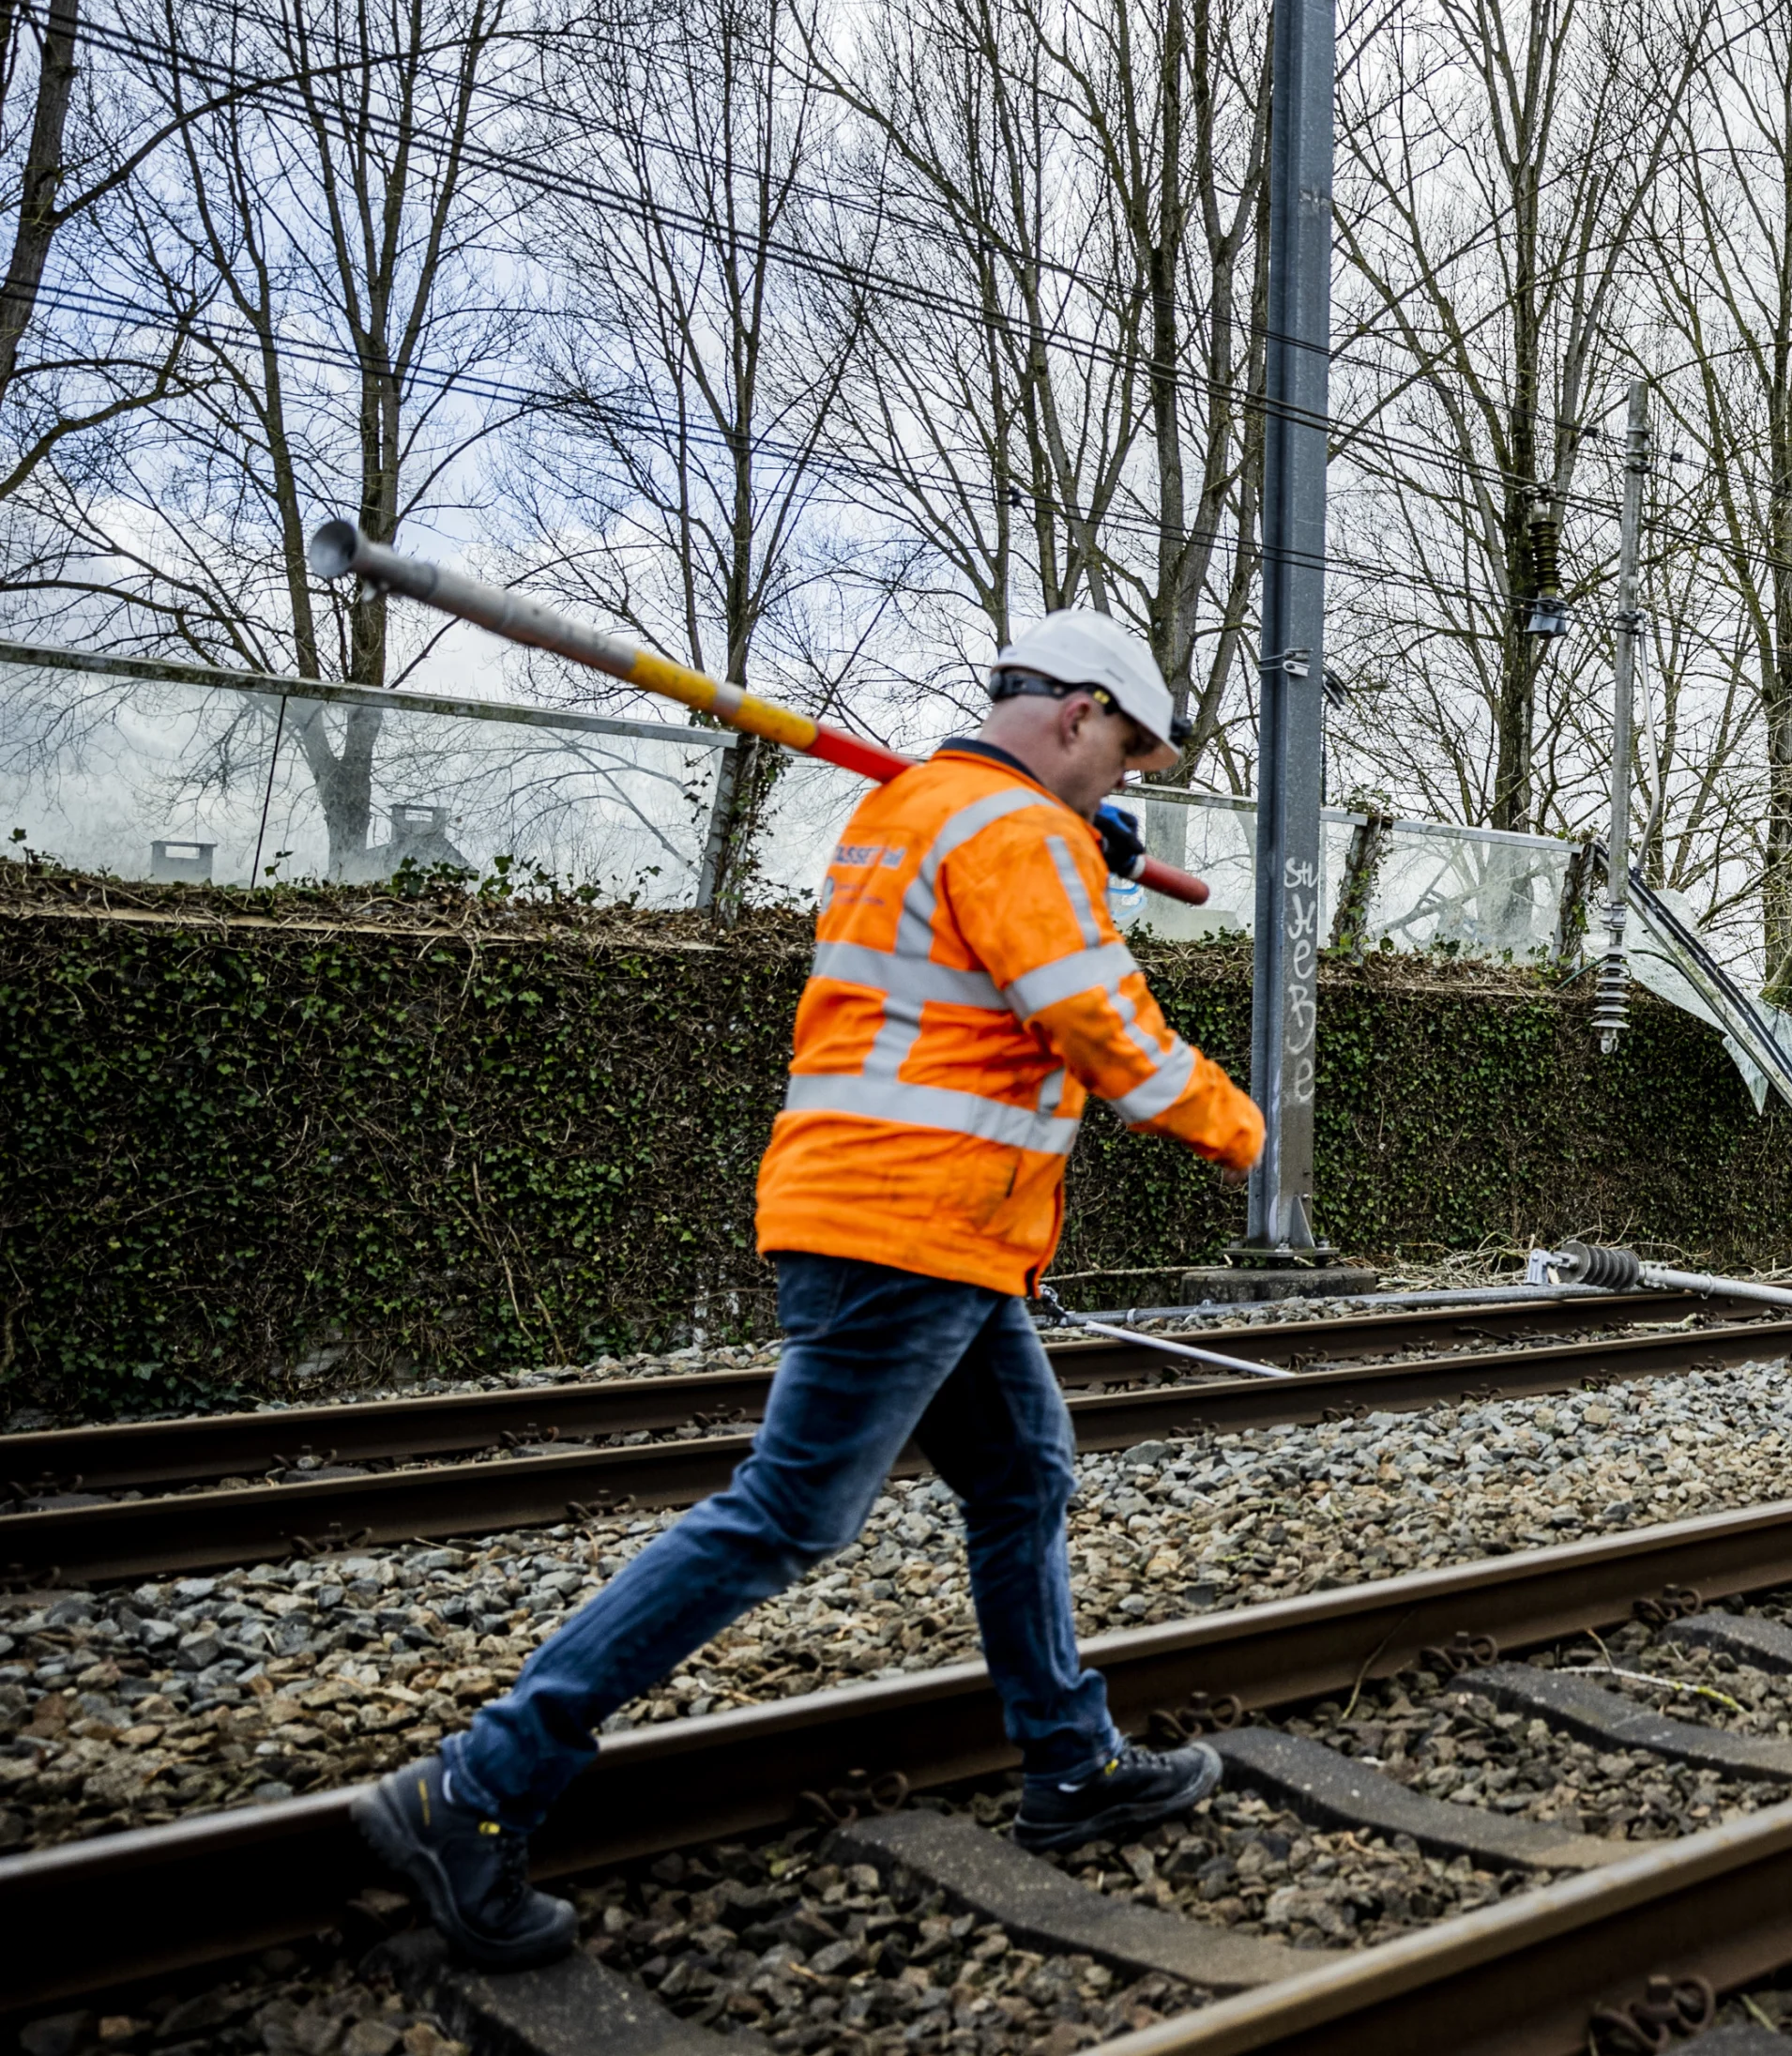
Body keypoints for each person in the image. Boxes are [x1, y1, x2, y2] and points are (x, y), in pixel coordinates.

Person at [355, 613, 1266, 1969]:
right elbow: (1104, 1029)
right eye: (1124, 752)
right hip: (912, 1225)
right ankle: (476, 1787)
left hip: (918, 1228)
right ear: (1077, 711)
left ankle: (1070, 1761)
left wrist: (1096, 846)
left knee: (1022, 1476)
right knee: (785, 1514)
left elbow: (988, 939)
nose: (1124, 780)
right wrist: (1252, 1130)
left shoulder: (919, 811)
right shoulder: (1019, 835)